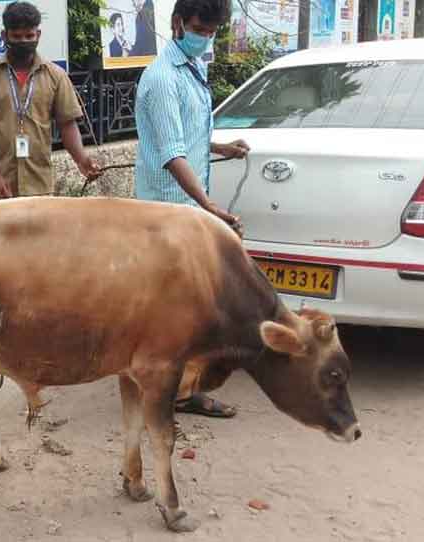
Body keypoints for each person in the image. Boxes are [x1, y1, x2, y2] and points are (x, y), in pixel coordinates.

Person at [134, 0, 250, 418]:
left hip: (188, 211)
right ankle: (171, 393)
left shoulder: (194, 69)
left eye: (214, 30)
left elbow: (188, 135)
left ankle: (178, 389)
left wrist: (222, 147)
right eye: (201, 27)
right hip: (168, 215)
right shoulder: (163, 78)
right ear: (178, 23)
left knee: (189, 309)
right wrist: (209, 207)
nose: (206, 36)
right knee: (180, 310)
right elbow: (171, 153)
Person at [0, 1, 101, 200]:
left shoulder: (56, 76)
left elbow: (67, 124)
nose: (24, 41)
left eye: (29, 36)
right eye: (17, 36)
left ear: (38, 35)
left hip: (40, 186)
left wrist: (81, 160)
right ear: (5, 36)